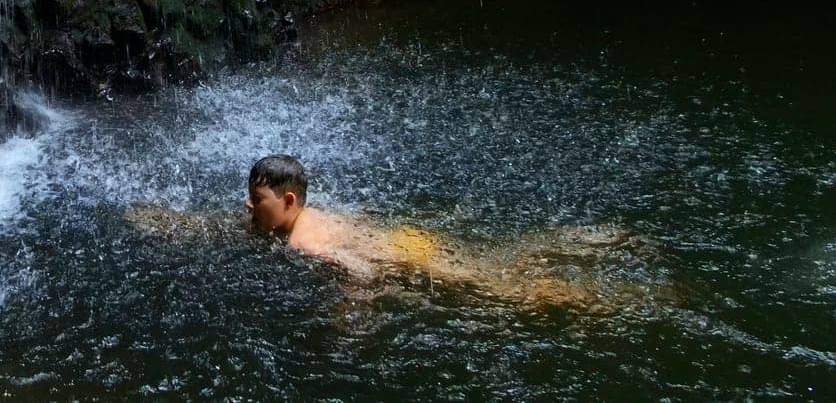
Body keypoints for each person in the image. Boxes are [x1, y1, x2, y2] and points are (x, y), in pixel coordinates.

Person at [131, 155, 641, 310]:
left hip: (406, 255)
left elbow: (359, 268)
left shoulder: (304, 240)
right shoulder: (306, 217)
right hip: (405, 235)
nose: (248, 206)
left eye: (257, 200)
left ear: (287, 202)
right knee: (495, 256)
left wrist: (351, 316)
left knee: (504, 288)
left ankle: (613, 300)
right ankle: (595, 238)